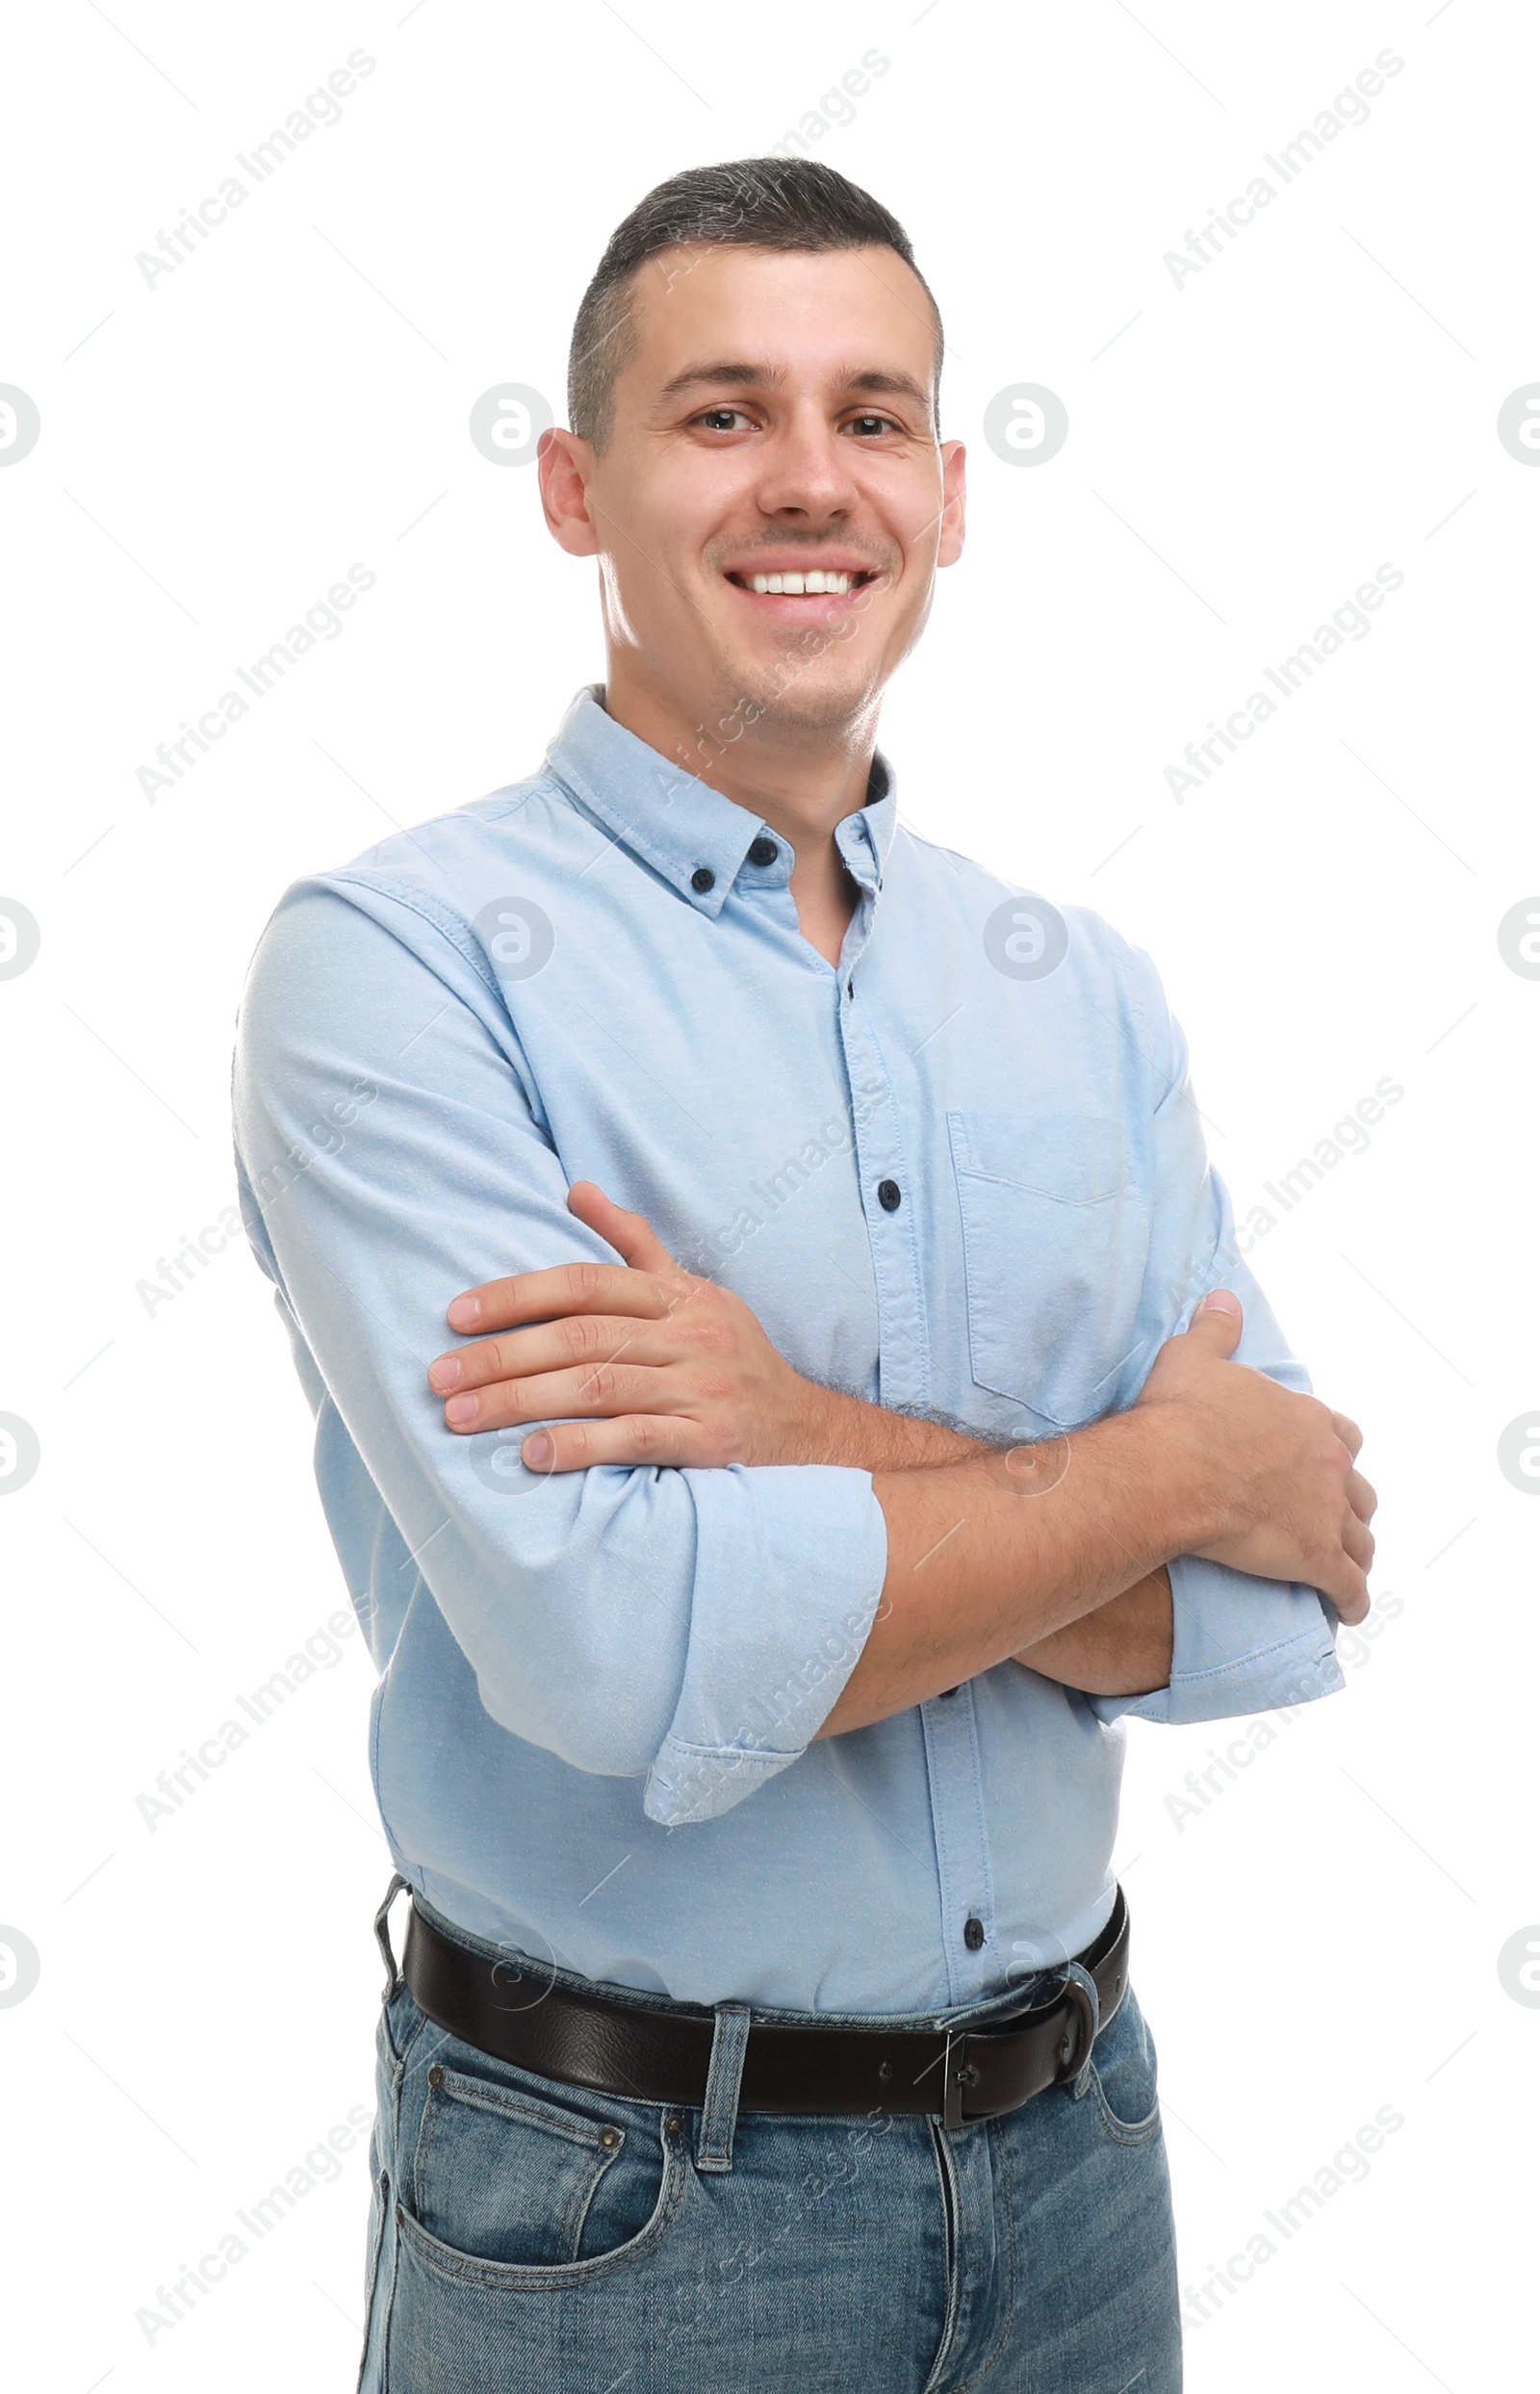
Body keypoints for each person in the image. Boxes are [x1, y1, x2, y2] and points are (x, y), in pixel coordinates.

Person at [232, 156, 1376, 2394]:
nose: (807, 482)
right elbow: (627, 1646)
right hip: (629, 2198)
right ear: (576, 485)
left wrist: (791, 1432)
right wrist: (1158, 1469)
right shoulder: (396, 971)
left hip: (1081, 2154)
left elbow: (1278, 1585)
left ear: (947, 493)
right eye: (721, 411)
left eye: (869, 416)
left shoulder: (1082, 992)